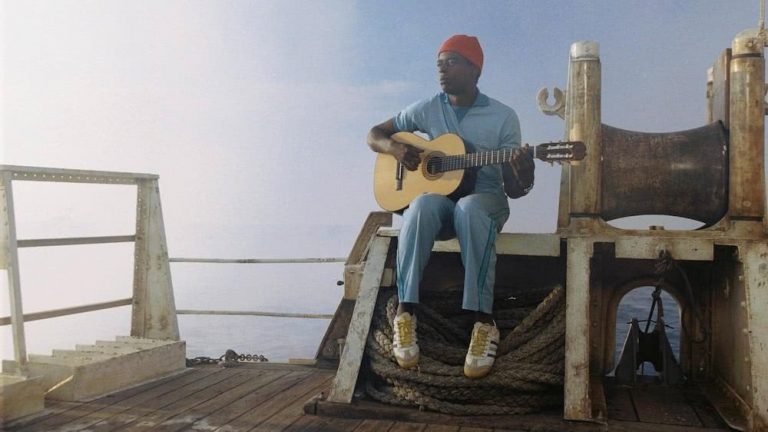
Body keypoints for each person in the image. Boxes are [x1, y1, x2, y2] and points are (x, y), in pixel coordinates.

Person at [367, 35, 535, 379]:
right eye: (439, 63)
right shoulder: (428, 107)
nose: (442, 70)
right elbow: (374, 134)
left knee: (470, 209)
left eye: (452, 62)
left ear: (475, 69)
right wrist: (396, 150)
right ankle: (405, 312)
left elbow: (515, 191)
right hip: (442, 203)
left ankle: (483, 323)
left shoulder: (503, 116)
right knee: (421, 206)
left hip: (485, 199)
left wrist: (524, 171)